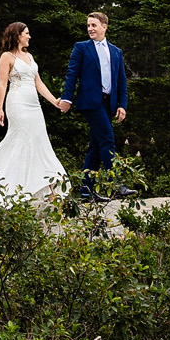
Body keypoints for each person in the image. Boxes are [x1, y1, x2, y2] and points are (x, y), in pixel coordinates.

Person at [0, 21, 72, 212]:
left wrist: (54, 101)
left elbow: (39, 83)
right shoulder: (6, 57)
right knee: (21, 141)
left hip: (34, 105)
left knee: (40, 141)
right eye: (26, 33)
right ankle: (10, 187)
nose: (29, 36)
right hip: (17, 103)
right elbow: (2, 84)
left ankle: (43, 187)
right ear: (17, 35)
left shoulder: (29, 56)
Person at [61, 11, 130, 201]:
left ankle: (86, 191)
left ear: (104, 27)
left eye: (94, 25)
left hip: (108, 103)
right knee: (107, 139)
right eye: (88, 25)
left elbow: (121, 81)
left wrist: (122, 105)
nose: (90, 29)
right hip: (91, 102)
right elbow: (71, 74)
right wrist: (67, 98)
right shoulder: (81, 48)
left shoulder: (116, 52)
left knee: (95, 146)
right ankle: (117, 185)